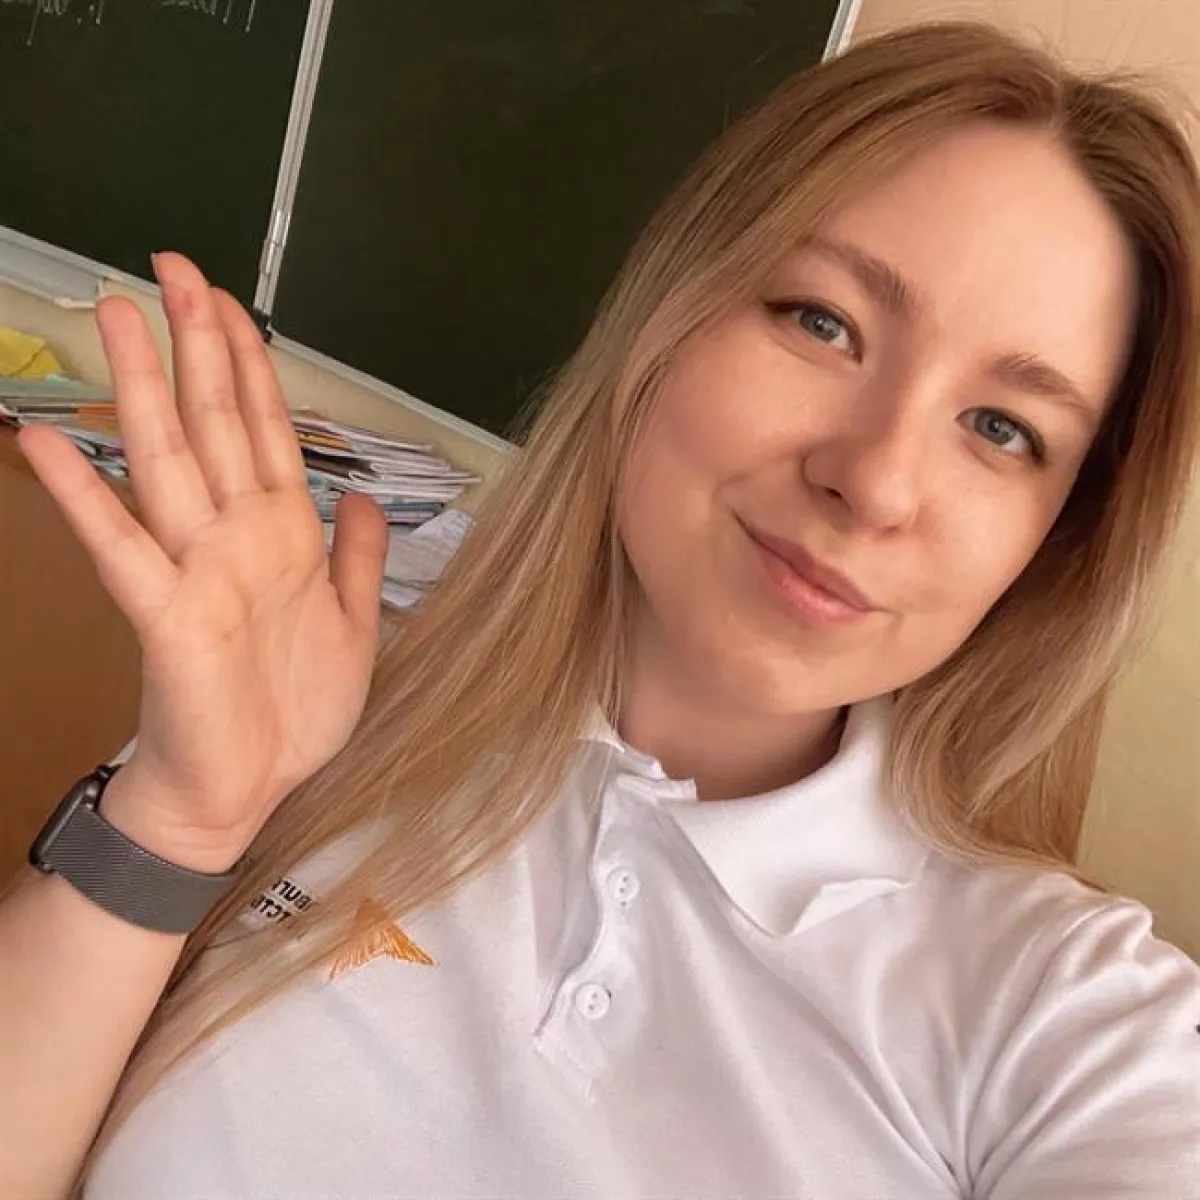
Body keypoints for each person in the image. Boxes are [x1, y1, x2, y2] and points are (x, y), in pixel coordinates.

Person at [2, 19, 1198, 1200]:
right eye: (823, 323)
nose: (876, 482)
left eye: (1003, 429)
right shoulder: (319, 702)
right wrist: (181, 816)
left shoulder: (1068, 1019)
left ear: (1057, 541)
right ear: (668, 314)